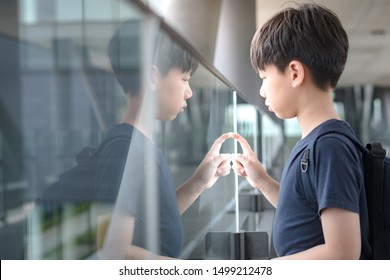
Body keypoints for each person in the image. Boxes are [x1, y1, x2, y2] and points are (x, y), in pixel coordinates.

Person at [231, 3, 371, 259]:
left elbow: (343, 254)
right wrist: (262, 181)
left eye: (264, 77)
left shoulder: (329, 148)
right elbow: (303, 211)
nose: (262, 91)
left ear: (294, 73)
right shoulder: (316, 143)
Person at [95, 20, 232, 259]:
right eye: (185, 79)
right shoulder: (123, 149)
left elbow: (154, 222)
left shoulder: (140, 145)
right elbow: (114, 251)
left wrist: (198, 182)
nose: (189, 92)